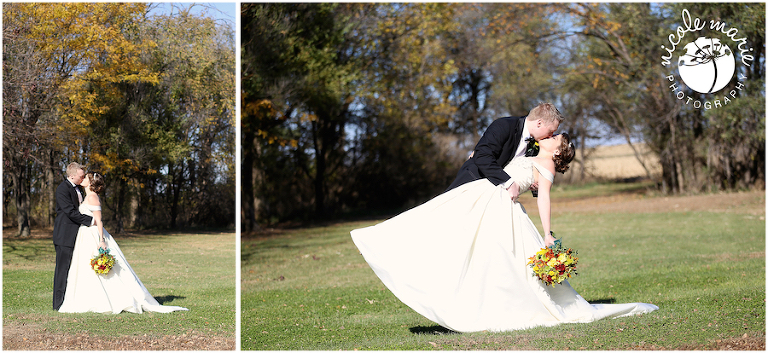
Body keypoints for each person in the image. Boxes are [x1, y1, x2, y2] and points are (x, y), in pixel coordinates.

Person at [351, 133, 658, 332]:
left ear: (559, 149)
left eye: (557, 137)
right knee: (439, 226)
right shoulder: (533, 153)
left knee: (492, 259)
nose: (551, 136)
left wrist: (548, 234)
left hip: (502, 210)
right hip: (488, 199)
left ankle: (486, 305)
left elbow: (545, 199)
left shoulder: (546, 168)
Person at [58, 172, 188, 314]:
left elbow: (99, 221)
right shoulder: (86, 196)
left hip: (93, 235)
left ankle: (113, 299)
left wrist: (101, 240)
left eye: (86, 178)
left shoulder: (93, 197)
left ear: (90, 182)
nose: (82, 179)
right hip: (84, 236)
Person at [446, 102, 563, 202]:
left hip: (495, 198)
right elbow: (482, 156)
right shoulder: (504, 125)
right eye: (551, 131)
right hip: (472, 183)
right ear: (539, 123)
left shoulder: (537, 145)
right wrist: (508, 182)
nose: (551, 135)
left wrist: (533, 185)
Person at [53, 162, 94, 310]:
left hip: (78, 235)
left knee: (75, 270)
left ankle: (72, 301)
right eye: (81, 175)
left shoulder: (79, 190)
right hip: (64, 236)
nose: (83, 177)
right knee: (62, 270)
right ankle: (58, 305)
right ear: (72, 175)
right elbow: (70, 212)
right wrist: (91, 221)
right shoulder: (62, 189)